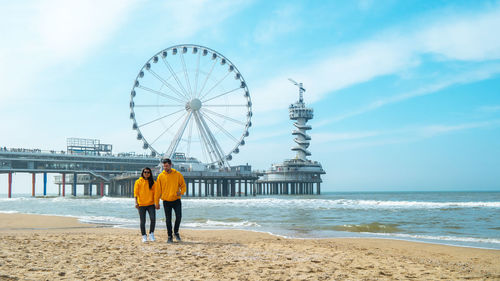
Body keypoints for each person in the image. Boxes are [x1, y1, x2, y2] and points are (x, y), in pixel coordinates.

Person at [154, 158, 186, 243]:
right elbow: (158, 191)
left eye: (167, 166)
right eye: (164, 166)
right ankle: (169, 236)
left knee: (179, 217)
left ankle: (176, 232)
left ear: (171, 165)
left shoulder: (178, 174)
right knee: (168, 219)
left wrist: (181, 192)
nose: (165, 168)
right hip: (166, 201)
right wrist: (156, 203)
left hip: (176, 200)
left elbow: (183, 185)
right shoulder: (161, 176)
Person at [134, 167, 156, 243]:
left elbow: (155, 194)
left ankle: (151, 234)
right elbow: (136, 193)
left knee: (153, 219)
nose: (146, 174)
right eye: (145, 172)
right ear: (142, 173)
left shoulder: (153, 182)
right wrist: (136, 203)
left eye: (148, 172)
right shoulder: (138, 182)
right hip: (141, 204)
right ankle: (144, 236)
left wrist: (156, 203)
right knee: (142, 221)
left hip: (151, 204)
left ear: (150, 174)